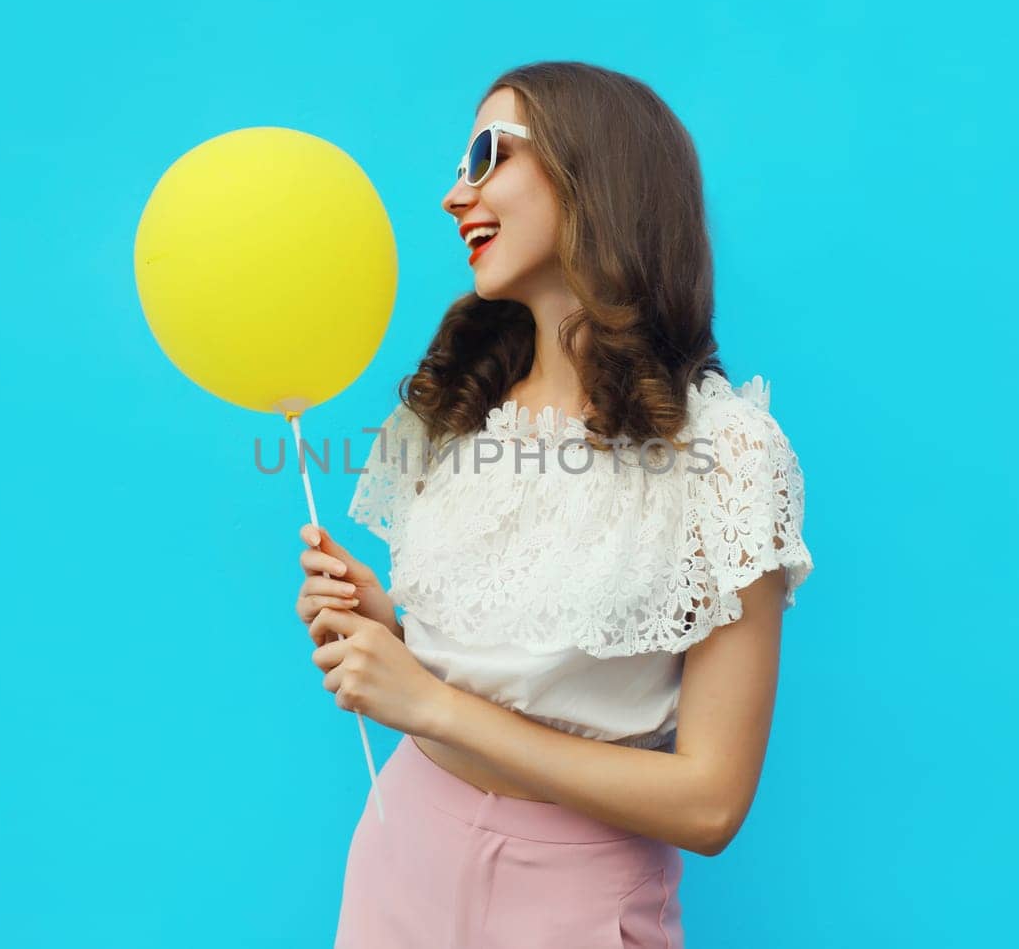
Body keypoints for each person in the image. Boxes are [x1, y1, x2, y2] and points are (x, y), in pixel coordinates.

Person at [294, 61, 815, 948]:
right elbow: (509, 673)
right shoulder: (459, 412)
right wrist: (393, 632)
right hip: (398, 856)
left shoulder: (727, 453)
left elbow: (712, 801)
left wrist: (428, 701)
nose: (456, 194)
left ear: (596, 174)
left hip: (576, 902)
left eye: (487, 154)